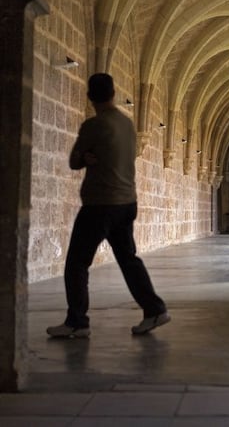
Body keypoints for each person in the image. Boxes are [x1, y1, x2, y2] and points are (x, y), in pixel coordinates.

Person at [47, 73, 170, 338]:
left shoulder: (94, 125)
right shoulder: (127, 125)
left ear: (90, 97)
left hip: (100, 204)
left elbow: (73, 161)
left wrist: (86, 157)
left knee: (77, 264)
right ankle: (154, 309)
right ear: (114, 93)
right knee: (128, 260)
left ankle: (77, 321)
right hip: (127, 202)